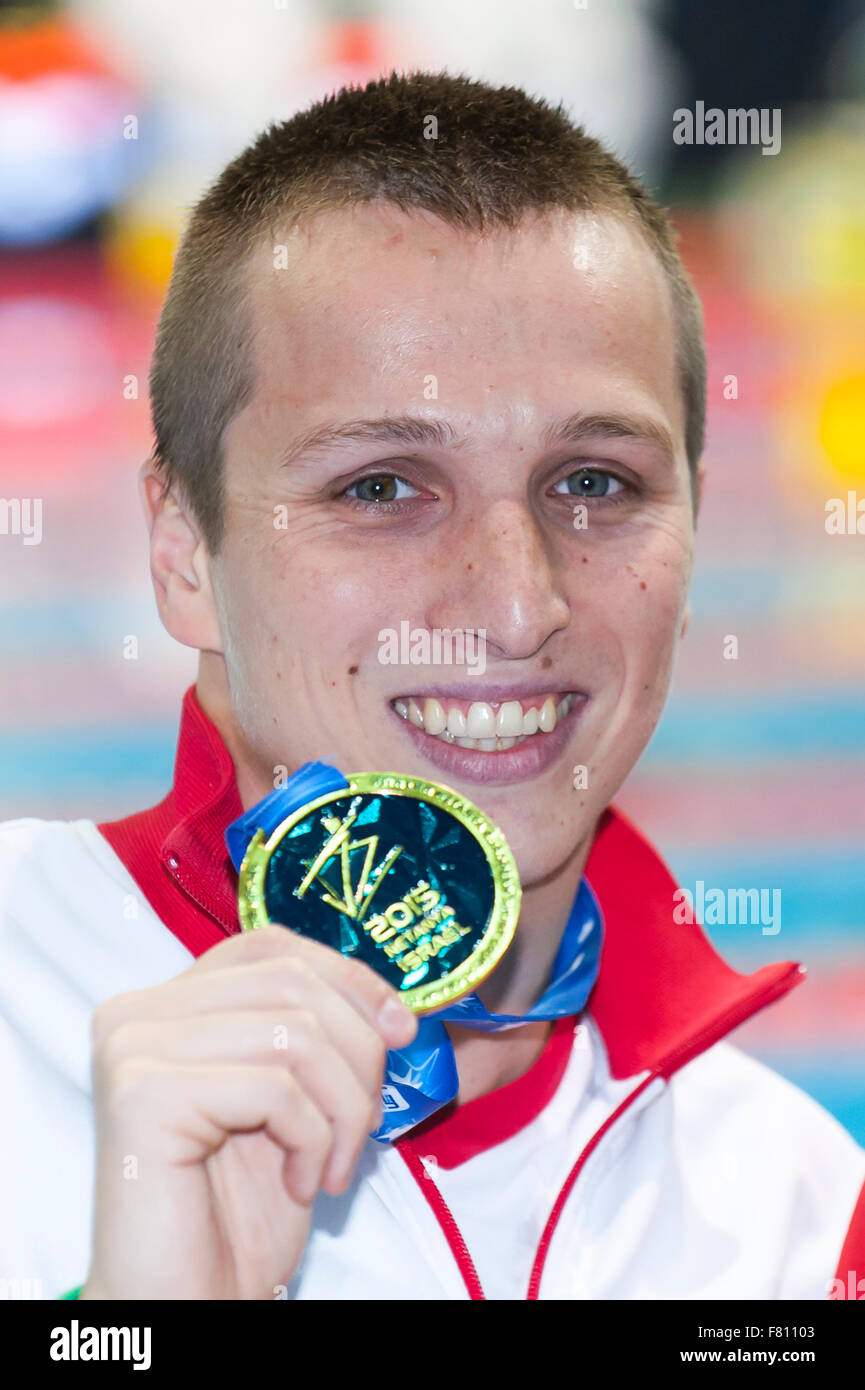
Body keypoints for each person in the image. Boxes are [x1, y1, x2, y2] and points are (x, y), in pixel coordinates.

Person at [2, 71, 863, 1302]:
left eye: (594, 482)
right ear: (183, 549)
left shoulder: (796, 1217)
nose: (519, 605)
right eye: (382, 487)